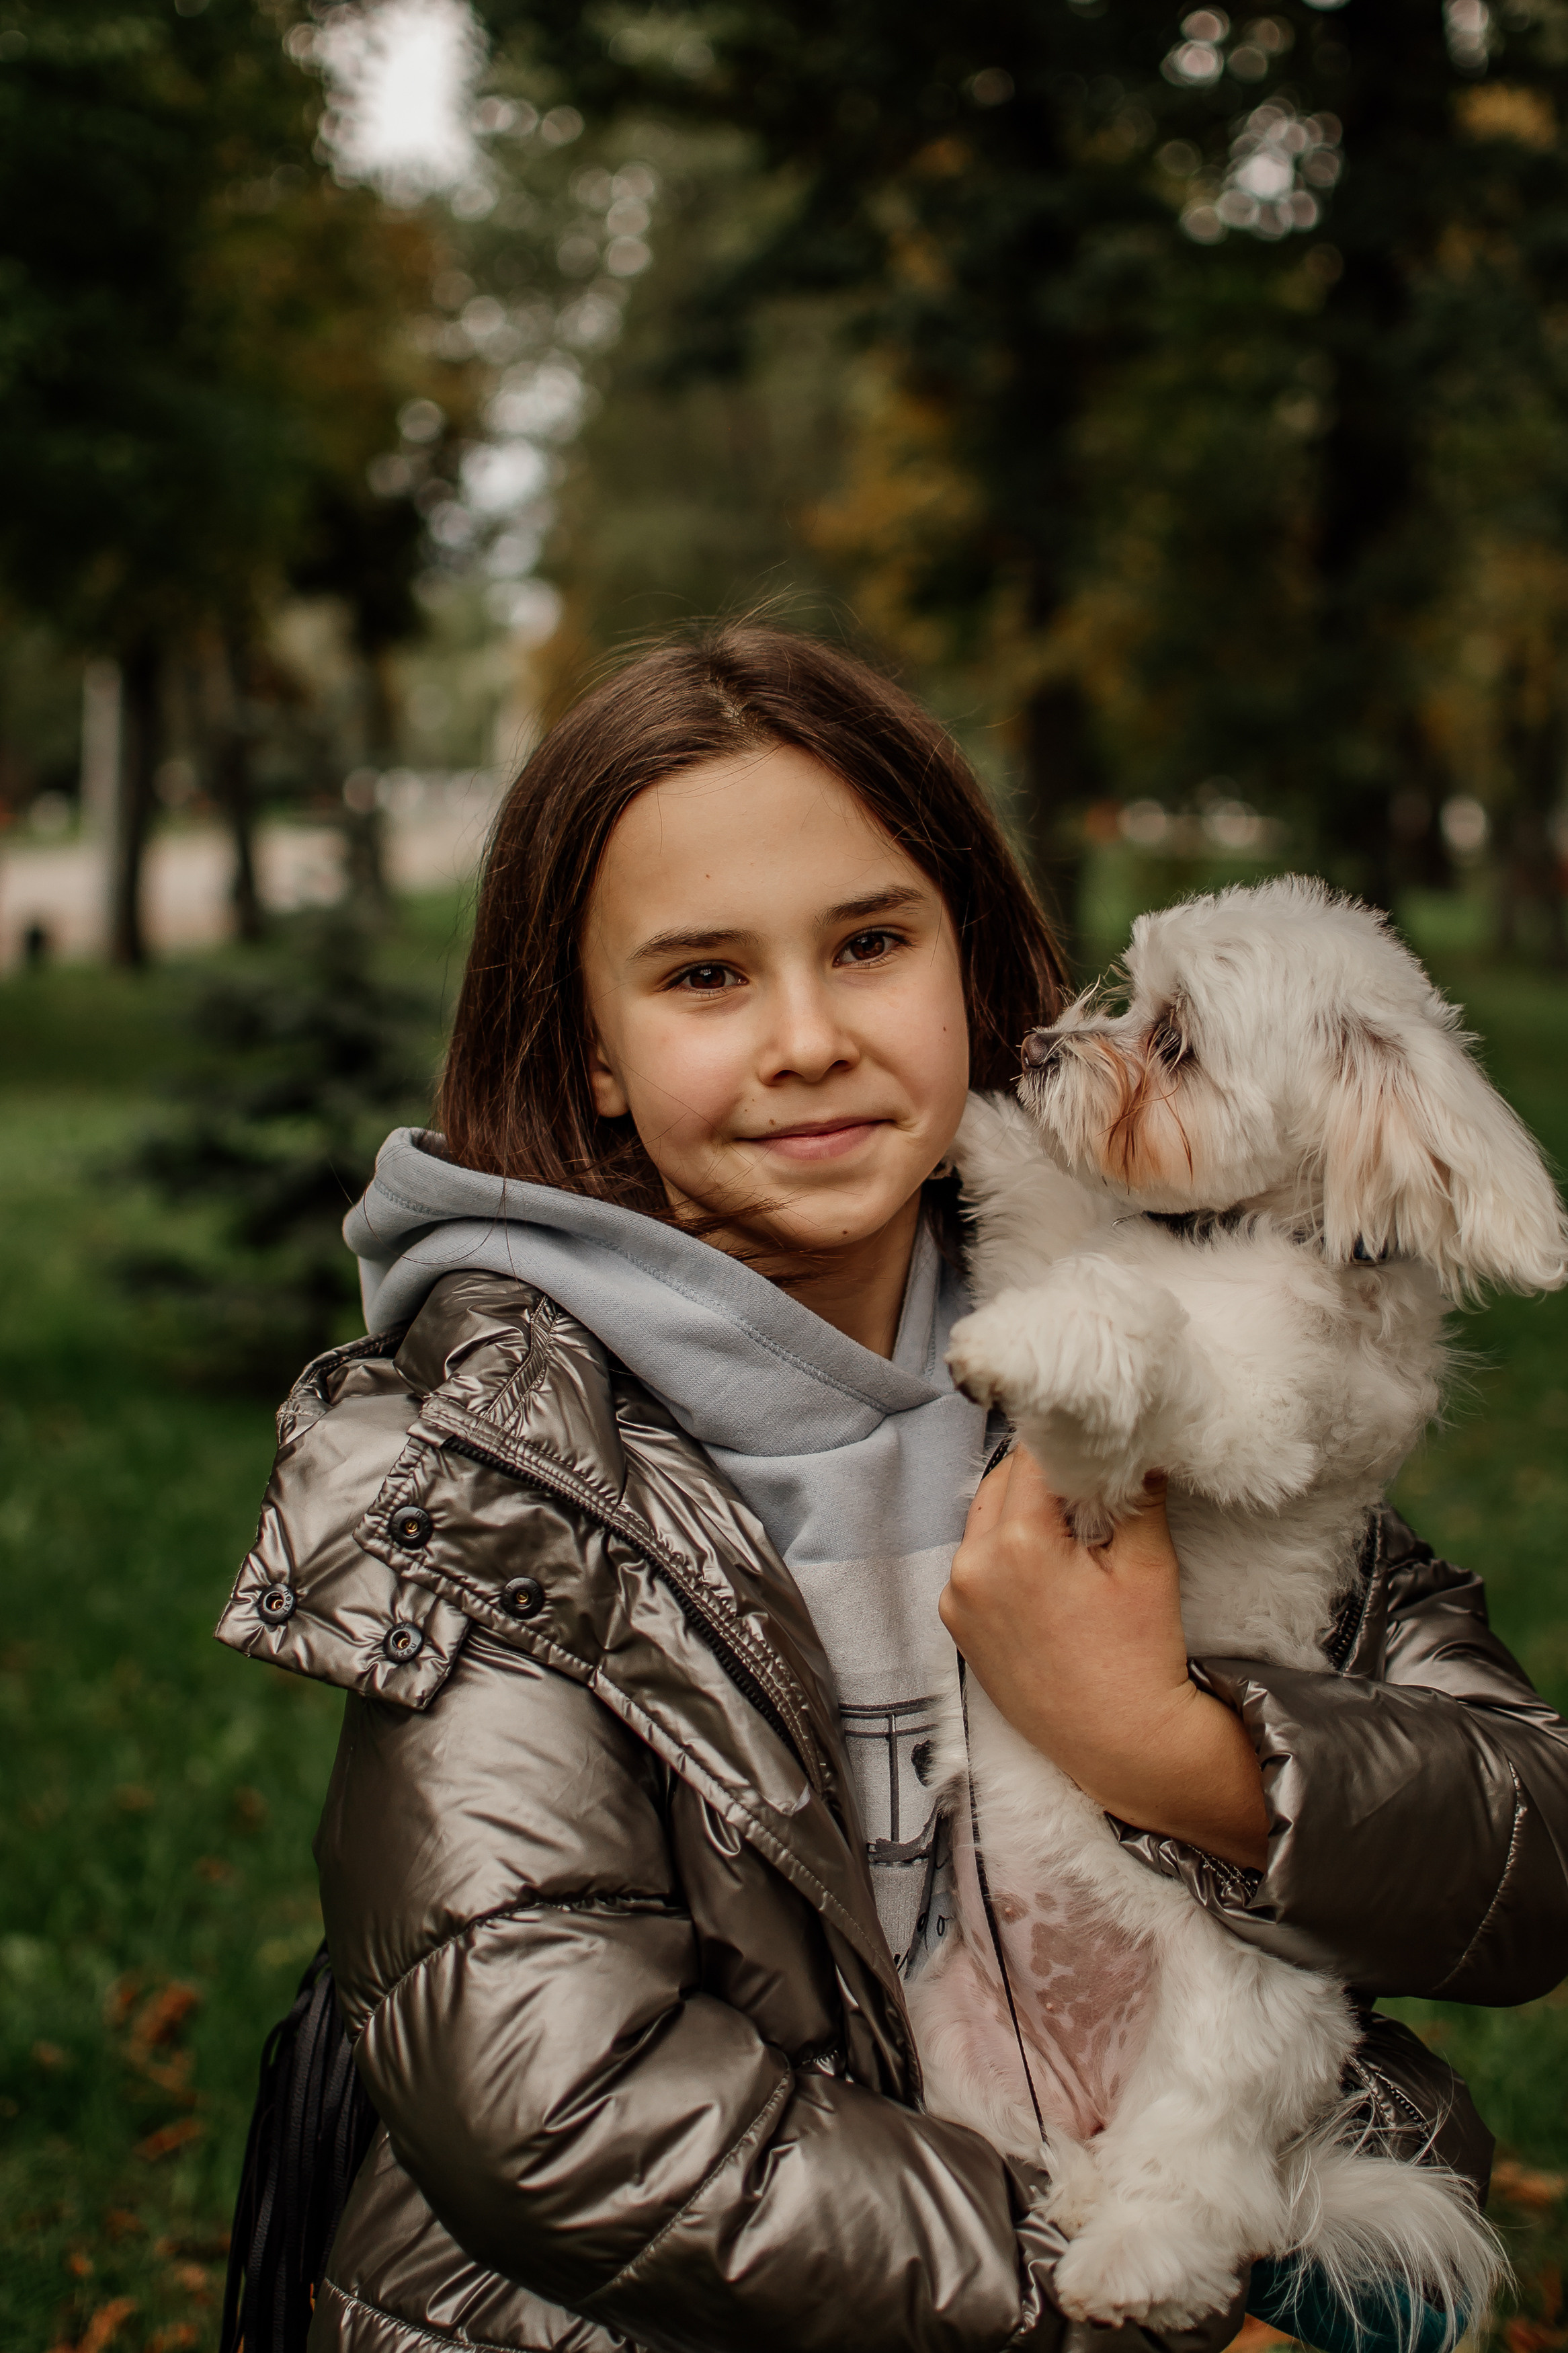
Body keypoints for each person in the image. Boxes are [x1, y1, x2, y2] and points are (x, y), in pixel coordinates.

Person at [217, 624, 1568, 2353]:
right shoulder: (502, 1465)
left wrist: (1171, 1753)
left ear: (974, 957)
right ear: (596, 1050)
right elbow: (554, 2096)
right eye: (705, 976)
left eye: (868, 943)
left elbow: (1526, 1846)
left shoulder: (1136, 1331)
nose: (805, 1038)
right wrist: (1109, 2322)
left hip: (1161, 2195)